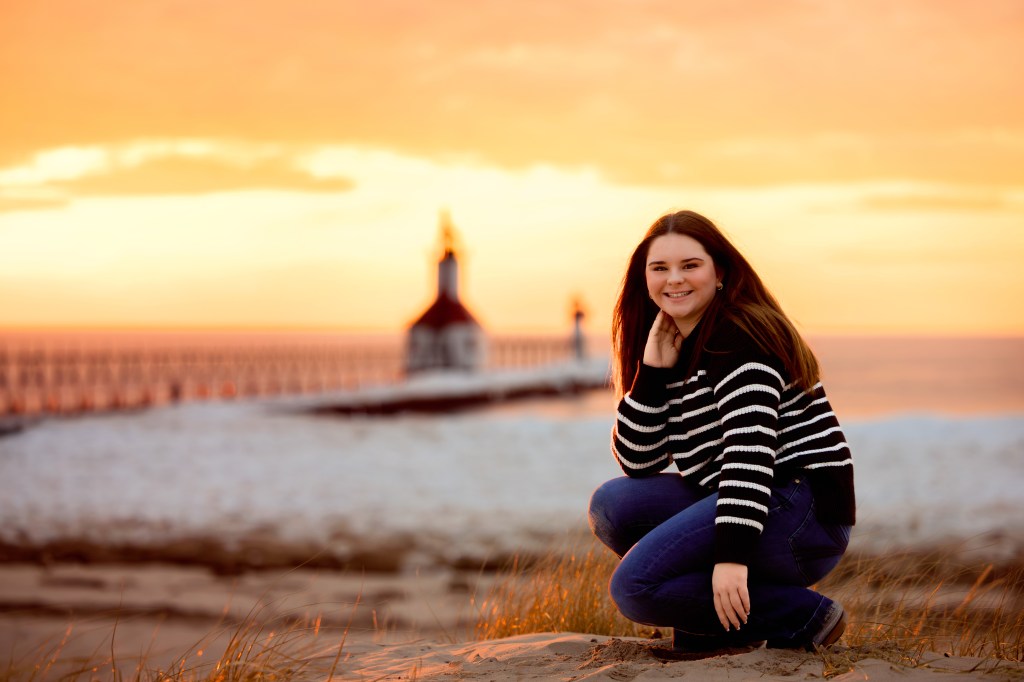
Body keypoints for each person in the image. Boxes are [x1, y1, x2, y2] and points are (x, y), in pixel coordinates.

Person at [588, 210, 855, 660]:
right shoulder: (677, 342)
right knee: (614, 506)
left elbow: (749, 458)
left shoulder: (740, 337)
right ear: (644, 279)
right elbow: (638, 461)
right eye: (660, 268)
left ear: (720, 273)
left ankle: (802, 615)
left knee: (635, 588)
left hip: (800, 515)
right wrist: (651, 374)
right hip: (755, 499)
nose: (674, 280)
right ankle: (715, 630)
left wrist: (731, 561)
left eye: (690, 265)